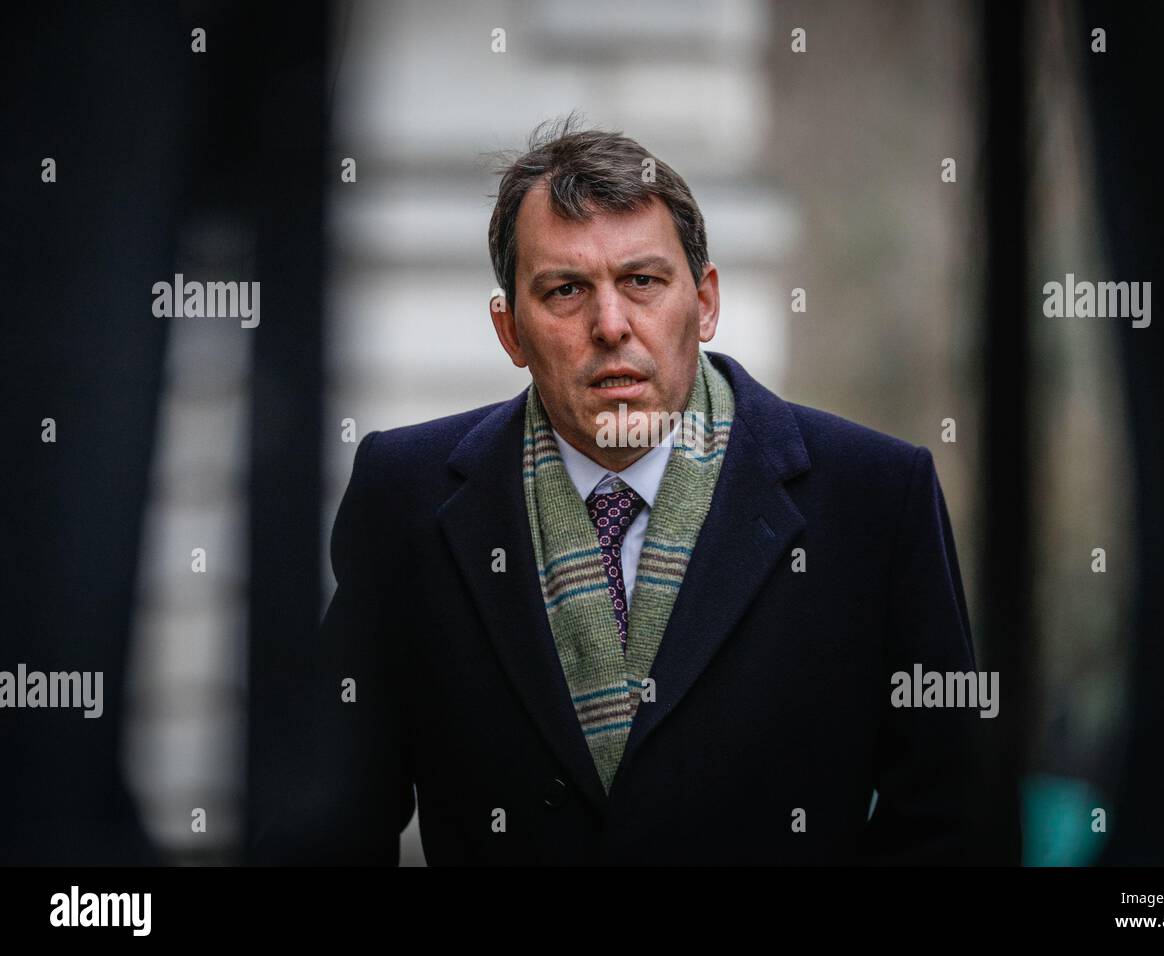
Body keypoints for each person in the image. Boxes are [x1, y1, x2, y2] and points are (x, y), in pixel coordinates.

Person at [252, 116, 986, 865]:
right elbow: (328, 822)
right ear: (510, 331)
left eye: (642, 281)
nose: (611, 325)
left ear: (703, 302)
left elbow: (952, 825)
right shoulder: (403, 496)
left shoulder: (872, 496)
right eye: (566, 289)